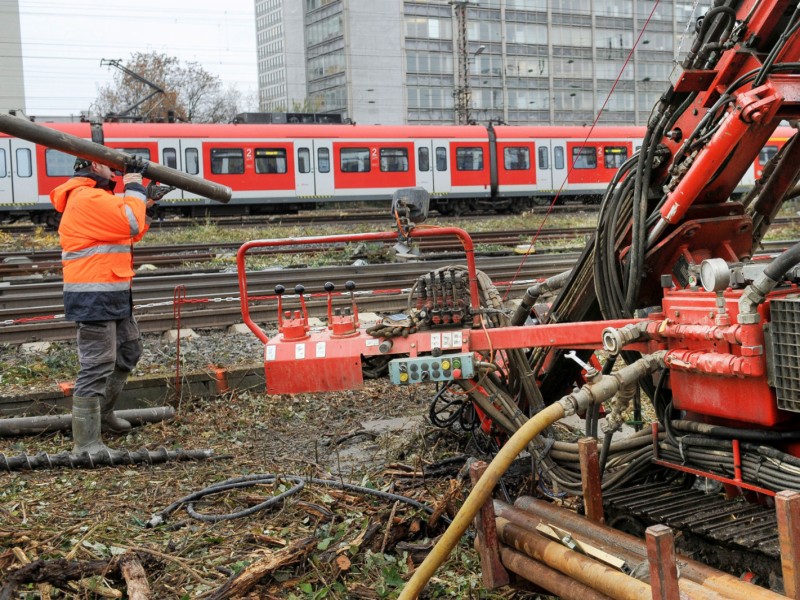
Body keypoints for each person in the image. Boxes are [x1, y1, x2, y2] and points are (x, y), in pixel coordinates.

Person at [49, 156, 154, 454]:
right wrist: (135, 184)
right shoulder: (86, 197)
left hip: (112, 292)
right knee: (97, 365)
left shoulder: (95, 197)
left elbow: (127, 230)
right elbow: (130, 223)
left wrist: (148, 203)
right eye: (109, 165)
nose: (115, 170)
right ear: (95, 166)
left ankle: (103, 415)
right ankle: (86, 443)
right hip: (93, 296)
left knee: (129, 350)